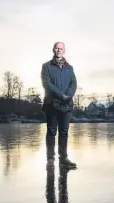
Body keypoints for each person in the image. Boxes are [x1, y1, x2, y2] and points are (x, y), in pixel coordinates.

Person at [41, 41, 77, 169]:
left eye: (61, 48)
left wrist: (68, 96)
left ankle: (63, 159)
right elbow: (47, 84)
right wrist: (61, 95)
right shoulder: (46, 66)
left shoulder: (69, 68)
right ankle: (50, 159)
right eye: (56, 48)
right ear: (53, 50)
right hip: (52, 104)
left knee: (64, 132)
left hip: (67, 105)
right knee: (51, 132)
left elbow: (74, 83)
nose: (58, 50)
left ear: (64, 51)